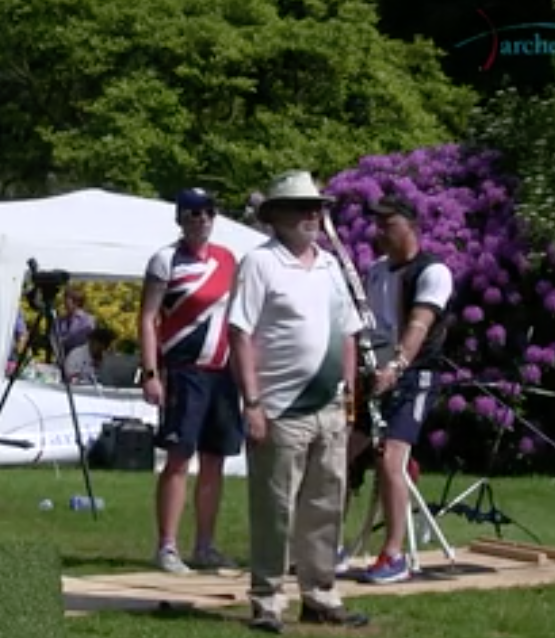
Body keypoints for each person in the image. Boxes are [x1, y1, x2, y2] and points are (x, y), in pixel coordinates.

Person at [228, 170, 369, 633]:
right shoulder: (259, 263)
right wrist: (252, 402)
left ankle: (320, 595)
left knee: (325, 505)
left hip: (329, 406)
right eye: (304, 207)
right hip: (279, 406)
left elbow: (348, 332)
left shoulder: (330, 265)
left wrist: (348, 394)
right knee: (275, 508)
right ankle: (267, 600)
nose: (315, 215)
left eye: (318, 207)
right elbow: (240, 334)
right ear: (279, 216)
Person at [344, 195, 454, 584]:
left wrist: (398, 365)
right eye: (377, 225)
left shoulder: (432, 272)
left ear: (411, 227)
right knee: (338, 454)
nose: (379, 233)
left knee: (392, 458)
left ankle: (392, 555)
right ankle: (327, 545)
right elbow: (365, 326)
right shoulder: (375, 271)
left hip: (413, 377)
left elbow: (419, 326)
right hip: (372, 376)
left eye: (388, 225)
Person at [138, 187, 243, 574]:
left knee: (215, 460)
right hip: (184, 369)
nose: (201, 219)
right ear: (180, 218)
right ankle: (167, 545)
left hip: (223, 370)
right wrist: (150, 372)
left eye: (207, 212)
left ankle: (205, 544)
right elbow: (149, 318)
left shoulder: (228, 259)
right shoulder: (166, 260)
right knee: (179, 457)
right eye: (193, 213)